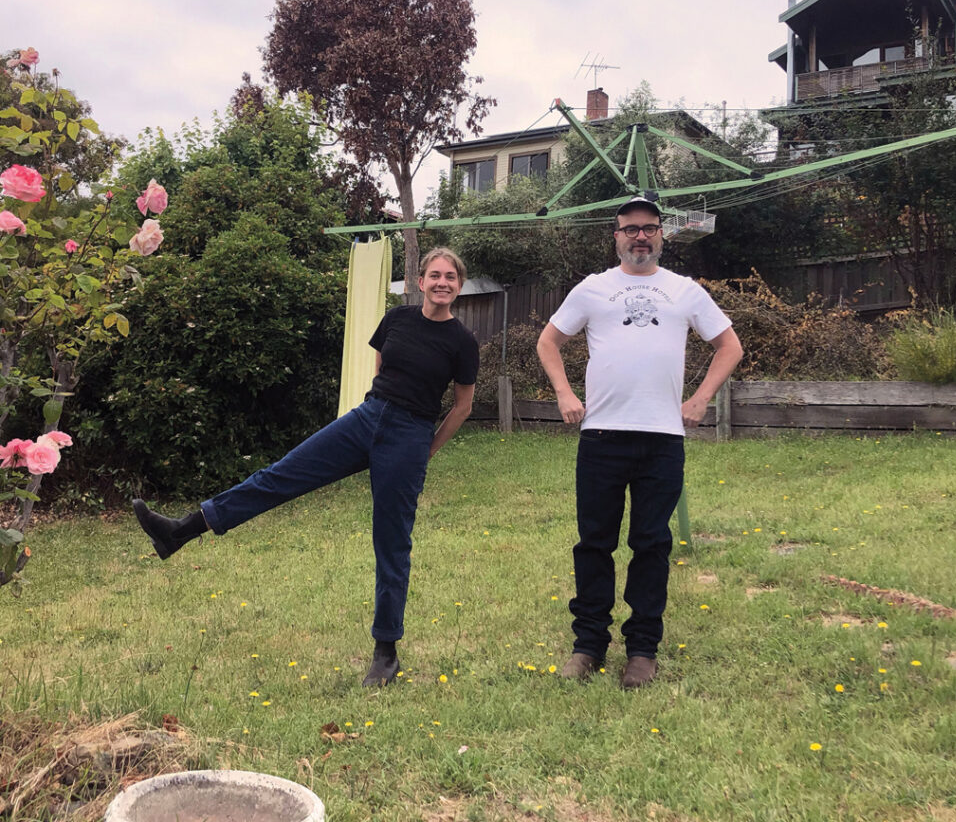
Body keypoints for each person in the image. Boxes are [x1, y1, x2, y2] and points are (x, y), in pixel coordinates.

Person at [133, 247, 479, 687]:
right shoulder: (398, 319)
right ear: (421, 279)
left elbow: (463, 406)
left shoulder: (462, 341)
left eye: (450, 276)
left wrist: (425, 449)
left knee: (393, 542)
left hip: (409, 434)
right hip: (367, 417)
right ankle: (179, 531)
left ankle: (386, 654)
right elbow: (382, 368)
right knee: (279, 476)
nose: (442, 282)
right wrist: (374, 412)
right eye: (435, 275)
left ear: (459, 285)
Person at [536, 198, 742, 689]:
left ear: (662, 236)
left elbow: (729, 346)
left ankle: (642, 651)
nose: (640, 237)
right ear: (617, 236)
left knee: (651, 545)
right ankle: (588, 645)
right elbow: (548, 342)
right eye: (631, 229)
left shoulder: (684, 291)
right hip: (602, 436)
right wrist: (565, 393)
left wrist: (700, 400)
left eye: (649, 229)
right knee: (594, 544)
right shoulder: (593, 289)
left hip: (662, 439)